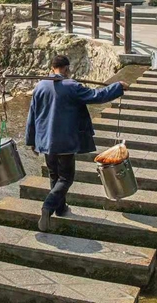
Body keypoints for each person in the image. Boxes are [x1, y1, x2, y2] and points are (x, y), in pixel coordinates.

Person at [25, 55, 128, 232]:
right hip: (65, 140)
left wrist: (31, 140)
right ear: (65, 69)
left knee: (54, 175)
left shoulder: (40, 86)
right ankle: (48, 206)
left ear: (52, 68)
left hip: (46, 140)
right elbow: (97, 95)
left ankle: (60, 208)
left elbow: (32, 116)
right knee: (66, 178)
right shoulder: (72, 86)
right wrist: (117, 86)